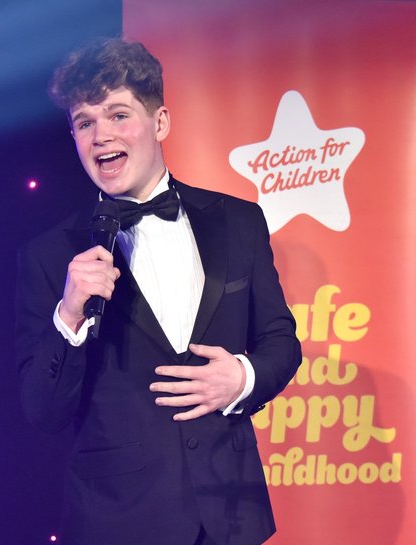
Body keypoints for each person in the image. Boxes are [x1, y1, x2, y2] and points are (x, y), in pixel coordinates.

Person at [15, 37, 301, 545]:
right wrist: (70, 314)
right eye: (85, 122)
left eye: (118, 115)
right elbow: (44, 410)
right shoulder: (49, 254)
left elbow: (281, 341)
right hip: (116, 521)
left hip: (230, 512)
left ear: (160, 122)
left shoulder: (238, 221)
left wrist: (242, 378)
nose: (101, 135)